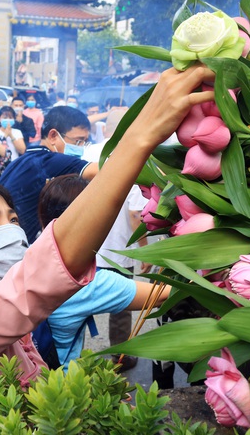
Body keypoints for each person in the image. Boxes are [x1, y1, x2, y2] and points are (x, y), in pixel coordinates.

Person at [0, 65, 212, 388]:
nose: (12, 233)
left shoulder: (9, 322)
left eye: (14, 220)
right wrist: (143, 133)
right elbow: (37, 279)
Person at [37, 174, 169, 370]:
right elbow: (160, 295)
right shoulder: (83, 283)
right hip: (60, 384)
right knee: (121, 314)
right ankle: (120, 356)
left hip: (33, 375)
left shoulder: (30, 258)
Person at [82, 108, 151, 370]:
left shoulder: (87, 154)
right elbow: (136, 215)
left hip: (83, 248)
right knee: (121, 305)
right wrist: (144, 250)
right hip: (118, 252)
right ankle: (120, 357)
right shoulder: (131, 158)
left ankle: (72, 355)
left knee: (77, 301)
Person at [0, 106, 97, 242]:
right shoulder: (48, 161)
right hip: (17, 247)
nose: (81, 147)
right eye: (78, 141)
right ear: (53, 136)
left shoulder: (24, 160)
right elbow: (101, 171)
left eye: (85, 142)